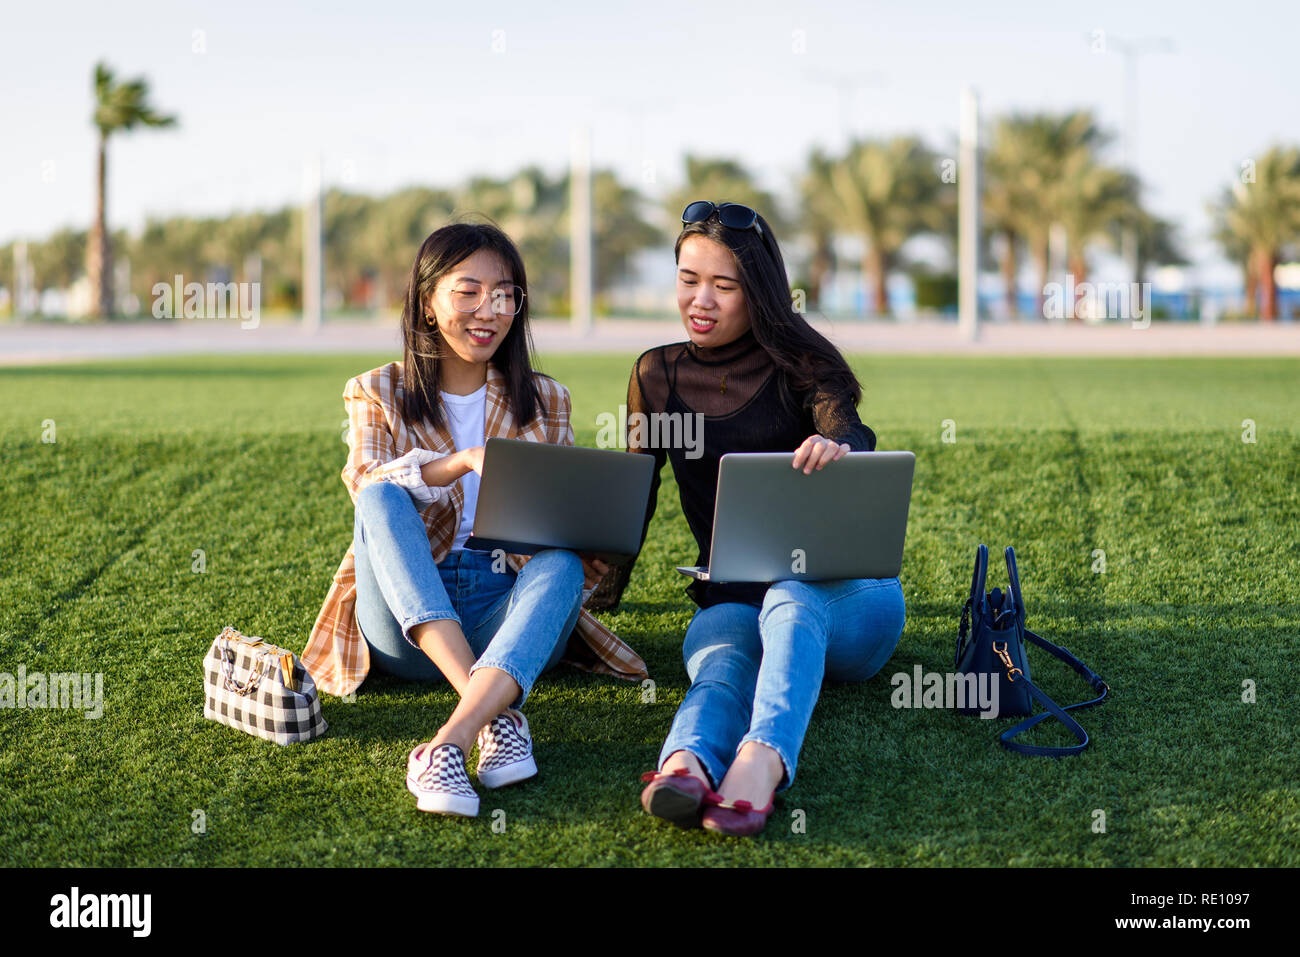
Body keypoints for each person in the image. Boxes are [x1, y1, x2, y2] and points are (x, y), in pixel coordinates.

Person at [301, 222, 646, 818]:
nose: (490, 309)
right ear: (428, 302)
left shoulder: (546, 398)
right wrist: (458, 462)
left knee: (561, 563)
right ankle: (493, 714)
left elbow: (558, 528)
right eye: (468, 291)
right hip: (407, 625)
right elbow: (364, 481)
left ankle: (448, 744)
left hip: (504, 615)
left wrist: (590, 527)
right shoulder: (376, 389)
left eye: (506, 293)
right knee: (383, 499)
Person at [597, 201, 905, 837]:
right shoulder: (656, 374)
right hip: (731, 595)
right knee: (724, 662)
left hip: (848, 603)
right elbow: (637, 493)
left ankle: (762, 761)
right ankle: (684, 765)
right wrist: (595, 593)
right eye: (688, 280)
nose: (700, 300)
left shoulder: (803, 362)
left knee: (792, 592)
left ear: (758, 291)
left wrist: (839, 450)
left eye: (723, 285)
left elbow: (849, 426)